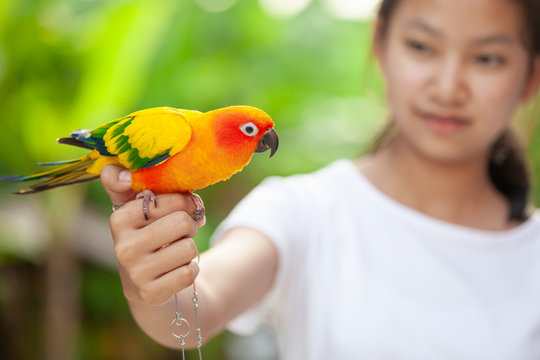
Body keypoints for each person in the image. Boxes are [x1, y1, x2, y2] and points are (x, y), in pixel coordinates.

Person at [100, 0, 540, 358]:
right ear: (380, 46)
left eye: (487, 57)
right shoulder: (300, 212)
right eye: (423, 47)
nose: (448, 87)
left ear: (531, 77)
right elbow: (198, 306)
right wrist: (152, 280)